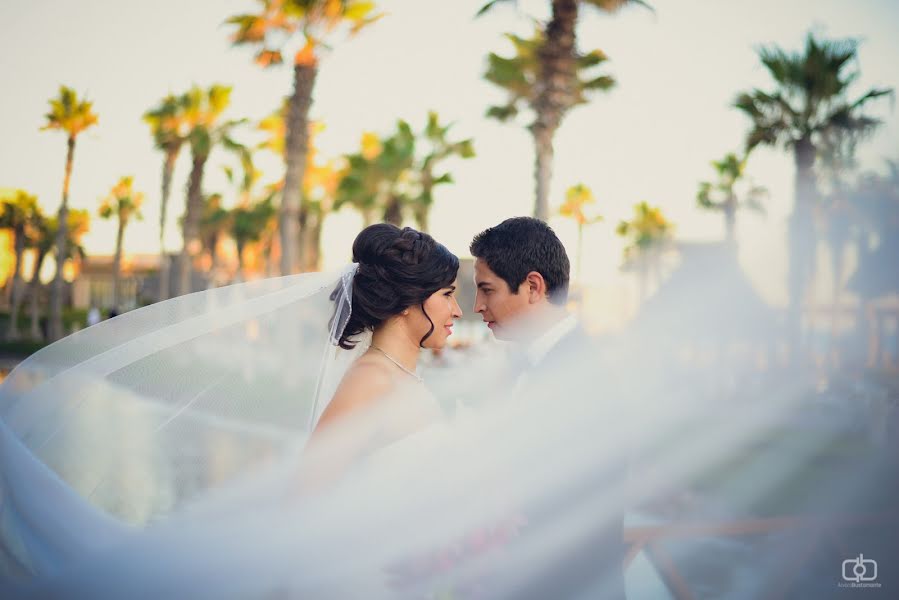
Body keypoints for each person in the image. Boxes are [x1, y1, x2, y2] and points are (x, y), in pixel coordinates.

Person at [469, 216, 627, 600]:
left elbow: (570, 523)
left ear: (533, 287)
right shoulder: (524, 367)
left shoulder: (581, 380)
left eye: (487, 290)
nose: (477, 306)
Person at [303, 223, 463, 483]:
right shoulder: (371, 380)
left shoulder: (402, 374)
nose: (457, 310)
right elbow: (306, 490)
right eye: (447, 295)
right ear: (407, 301)